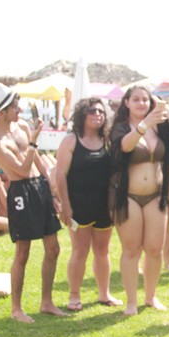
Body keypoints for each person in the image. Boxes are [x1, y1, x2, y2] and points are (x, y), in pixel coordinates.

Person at [0, 83, 66, 323]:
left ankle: (46, 302)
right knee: (23, 252)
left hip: (38, 186)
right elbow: (19, 168)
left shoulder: (20, 126)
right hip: (19, 191)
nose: (19, 110)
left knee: (53, 248)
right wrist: (32, 142)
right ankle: (16, 309)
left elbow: (36, 158)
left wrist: (50, 188)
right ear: (2, 112)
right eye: (14, 106)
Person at [108, 87, 169, 316]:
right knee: (131, 249)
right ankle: (131, 302)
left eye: (145, 99)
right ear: (126, 103)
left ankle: (150, 297)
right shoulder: (119, 127)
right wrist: (144, 124)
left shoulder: (160, 127)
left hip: (155, 196)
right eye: (136, 99)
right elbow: (125, 146)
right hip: (127, 195)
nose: (141, 103)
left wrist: (158, 103)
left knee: (154, 249)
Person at [55, 97, 121, 312]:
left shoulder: (108, 141)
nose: (97, 115)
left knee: (102, 250)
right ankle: (74, 295)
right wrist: (65, 206)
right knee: (80, 250)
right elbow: (60, 175)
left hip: (104, 206)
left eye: (101, 111)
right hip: (78, 206)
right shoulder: (71, 141)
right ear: (82, 114)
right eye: (92, 111)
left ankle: (104, 293)